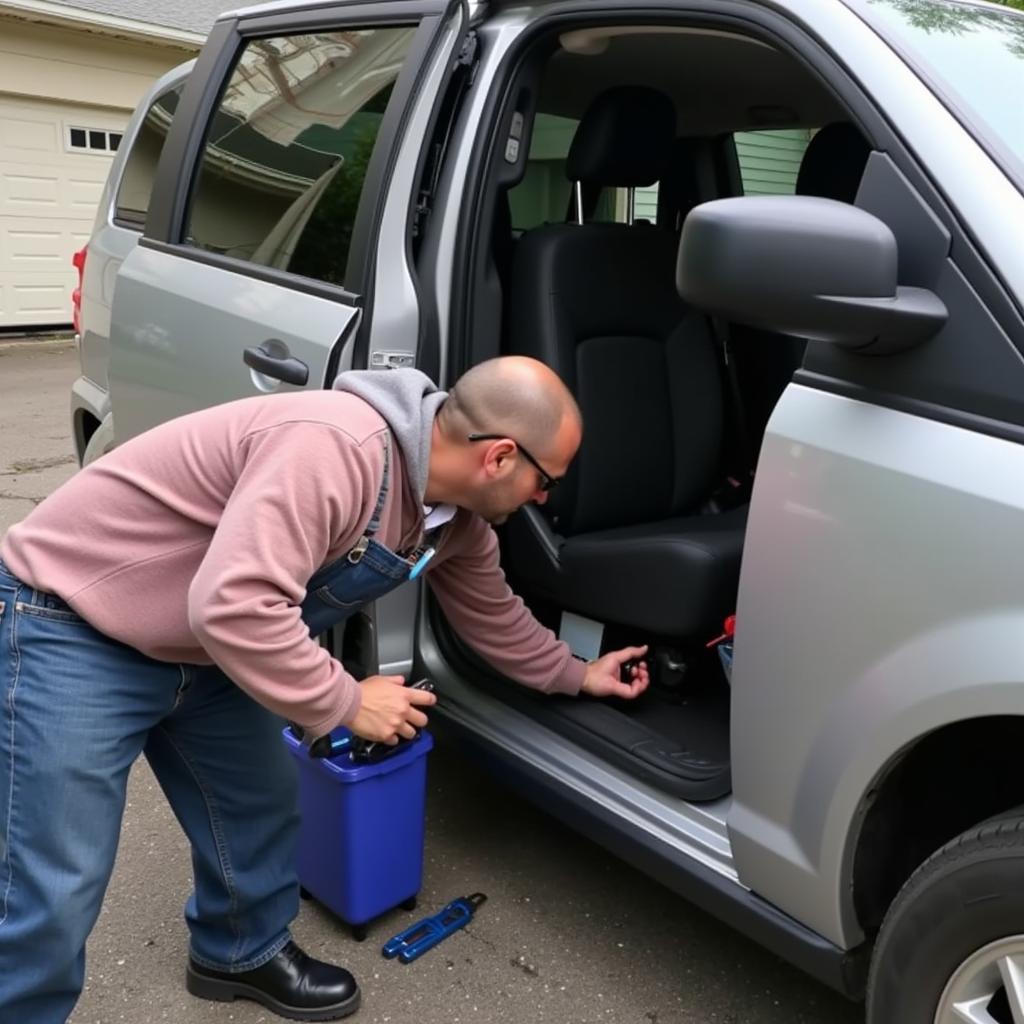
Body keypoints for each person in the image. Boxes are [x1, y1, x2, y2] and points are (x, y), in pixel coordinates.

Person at [0, 356, 649, 1023]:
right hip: (71, 623)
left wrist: (576, 672)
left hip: (204, 648)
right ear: (502, 456)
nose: (546, 499)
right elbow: (235, 605)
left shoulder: (455, 524)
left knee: (258, 807)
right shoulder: (338, 448)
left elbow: (494, 617)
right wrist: (347, 701)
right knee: (54, 887)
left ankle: (239, 952)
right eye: (547, 481)